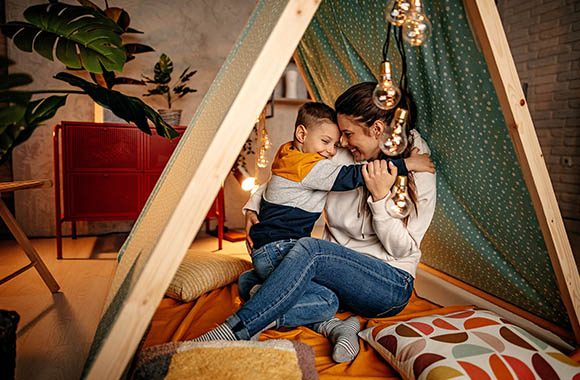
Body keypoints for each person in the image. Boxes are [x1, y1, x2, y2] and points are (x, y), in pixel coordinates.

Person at [193, 82, 437, 364]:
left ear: (378, 131)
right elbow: (295, 175)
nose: (341, 144)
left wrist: (381, 199)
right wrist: (254, 206)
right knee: (250, 279)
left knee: (309, 250)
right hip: (335, 280)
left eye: (347, 134)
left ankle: (237, 329)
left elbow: (403, 249)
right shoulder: (343, 150)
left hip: (387, 284)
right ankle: (333, 326)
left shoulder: (417, 165)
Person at [241, 101, 415, 303]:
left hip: (266, 249)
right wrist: (408, 164)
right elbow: (351, 175)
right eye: (326, 141)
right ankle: (265, 300)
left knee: (255, 281)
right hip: (281, 249)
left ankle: (256, 289)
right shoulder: (312, 166)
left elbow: (275, 184)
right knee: (326, 300)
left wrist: (251, 207)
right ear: (302, 134)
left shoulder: (289, 154)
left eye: (335, 144)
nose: (332, 151)